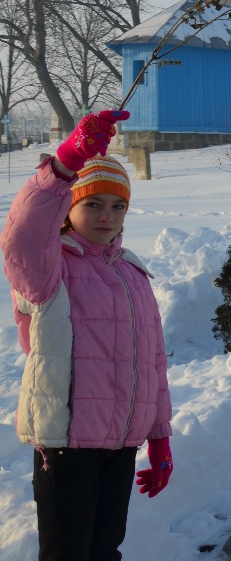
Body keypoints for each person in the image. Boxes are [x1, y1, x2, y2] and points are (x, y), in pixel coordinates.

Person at [2, 110, 175, 558]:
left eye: (118, 206)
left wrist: (159, 436)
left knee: (104, 550)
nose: (107, 216)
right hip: (67, 444)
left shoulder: (132, 274)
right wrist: (63, 165)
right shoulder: (48, 272)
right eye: (92, 204)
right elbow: (21, 237)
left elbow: (153, 362)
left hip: (120, 442)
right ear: (68, 207)